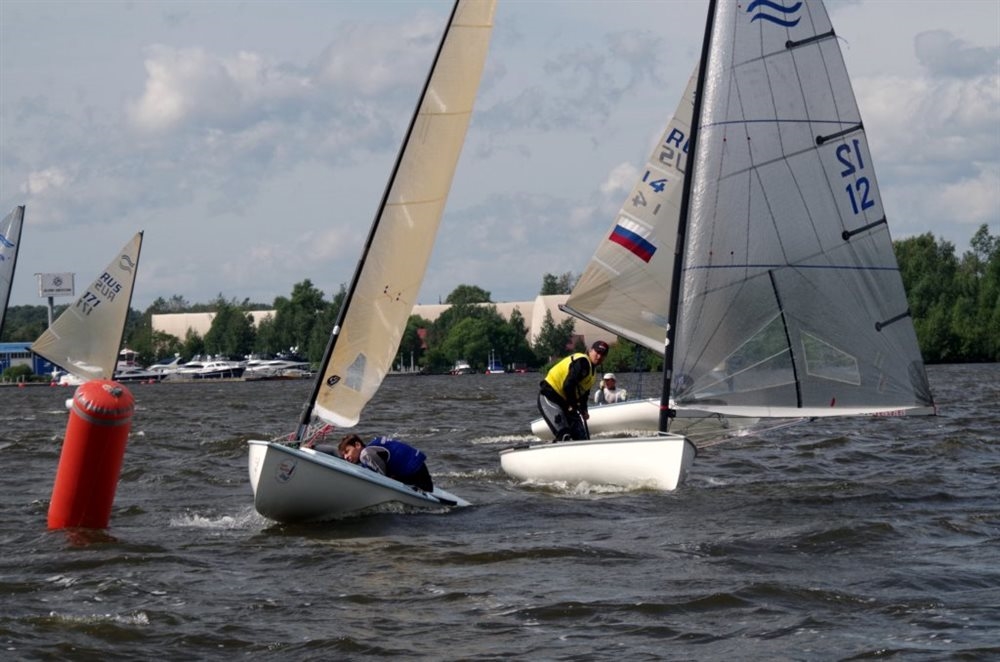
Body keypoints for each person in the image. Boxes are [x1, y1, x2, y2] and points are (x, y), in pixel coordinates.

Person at [537, 340, 609, 441]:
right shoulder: (582, 361)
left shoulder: (593, 374)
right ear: (590, 351)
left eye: (603, 354)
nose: (599, 356)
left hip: (566, 402)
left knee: (581, 438)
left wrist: (584, 410)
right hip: (550, 396)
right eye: (597, 352)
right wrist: (573, 406)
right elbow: (568, 385)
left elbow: (584, 395)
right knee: (565, 436)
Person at [336, 434, 434, 492]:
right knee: (428, 489)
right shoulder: (373, 446)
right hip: (418, 467)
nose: (346, 457)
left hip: (414, 472)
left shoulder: (365, 454)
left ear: (357, 445)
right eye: (344, 455)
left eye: (347, 451)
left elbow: (383, 479)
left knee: (427, 490)